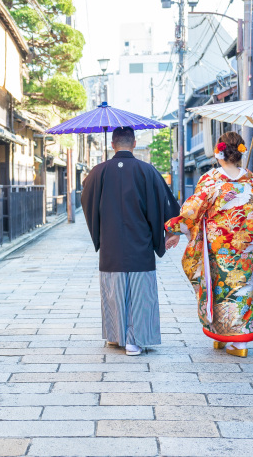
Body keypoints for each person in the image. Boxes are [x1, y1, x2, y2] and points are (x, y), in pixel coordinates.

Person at [164, 131, 253, 358]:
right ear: (240, 153)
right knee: (243, 288)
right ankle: (231, 338)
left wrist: (173, 227)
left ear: (218, 153)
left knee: (220, 289)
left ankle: (233, 339)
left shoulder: (211, 179)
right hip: (245, 248)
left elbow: (193, 211)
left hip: (218, 248)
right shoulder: (252, 179)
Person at [81, 126, 180, 356]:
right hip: (141, 245)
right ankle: (135, 340)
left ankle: (116, 336)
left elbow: (86, 198)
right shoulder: (147, 170)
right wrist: (171, 231)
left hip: (111, 245)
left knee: (114, 292)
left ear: (112, 145)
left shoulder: (98, 171)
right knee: (139, 293)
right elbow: (166, 201)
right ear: (134, 144)